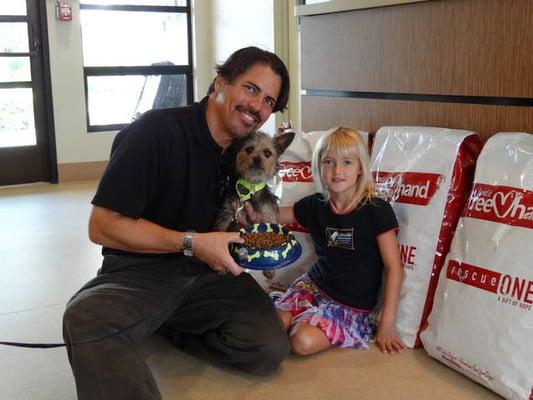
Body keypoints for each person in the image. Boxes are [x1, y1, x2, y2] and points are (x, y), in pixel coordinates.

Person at [62, 47, 291, 400]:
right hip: (141, 272)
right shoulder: (154, 132)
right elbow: (102, 226)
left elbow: (240, 222)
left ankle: (163, 326)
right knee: (86, 317)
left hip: (210, 276)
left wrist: (243, 229)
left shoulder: (242, 153)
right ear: (220, 81)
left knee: (267, 346)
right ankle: (147, 318)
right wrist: (192, 242)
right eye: (250, 88)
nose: (257, 106)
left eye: (269, 101)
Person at [274, 127, 406, 356]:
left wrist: (387, 322)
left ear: (360, 169)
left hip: (350, 306)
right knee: (273, 327)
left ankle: (302, 321)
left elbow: (394, 267)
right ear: (318, 166)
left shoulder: (377, 211)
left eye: (347, 162)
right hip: (312, 286)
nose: (337, 170)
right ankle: (297, 316)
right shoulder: (315, 204)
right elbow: (273, 215)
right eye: (328, 162)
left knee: (301, 342)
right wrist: (244, 211)